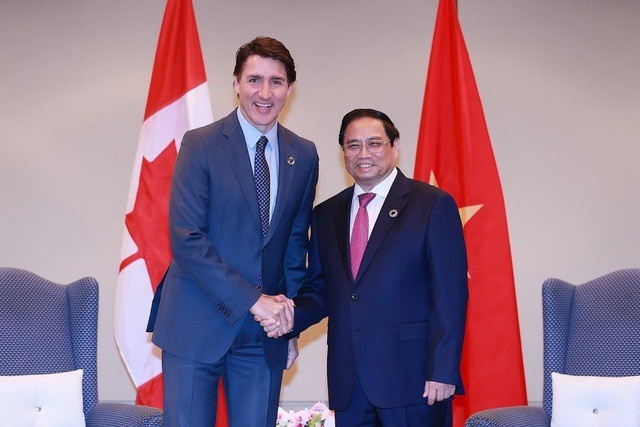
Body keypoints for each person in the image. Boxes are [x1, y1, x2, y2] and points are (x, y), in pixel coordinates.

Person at [149, 37, 319, 427]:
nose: (264, 92)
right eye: (254, 80)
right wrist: (254, 300)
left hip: (264, 337)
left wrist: (290, 324)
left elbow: (295, 246)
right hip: (196, 323)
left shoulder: (304, 153)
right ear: (236, 84)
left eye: (276, 82)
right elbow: (187, 239)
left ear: (289, 89)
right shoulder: (202, 144)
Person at [261, 108, 468, 426]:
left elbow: (450, 296)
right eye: (353, 145)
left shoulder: (432, 205)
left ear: (395, 146)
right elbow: (320, 290)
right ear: (342, 151)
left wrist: (443, 370)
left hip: (414, 381)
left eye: (374, 143)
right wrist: (288, 319)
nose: (364, 153)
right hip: (349, 384)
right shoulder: (326, 214)